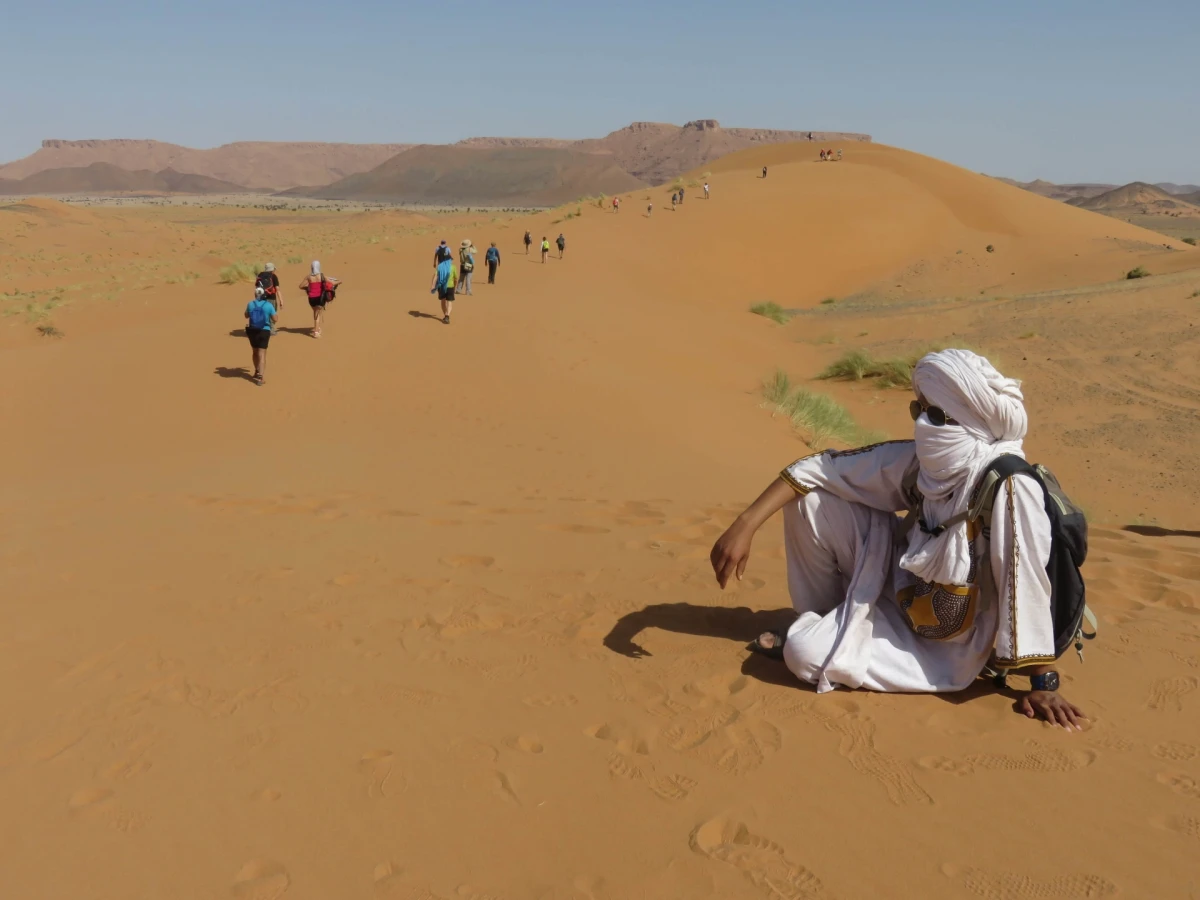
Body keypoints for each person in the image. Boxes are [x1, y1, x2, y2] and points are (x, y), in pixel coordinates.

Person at [709, 349, 1087, 730]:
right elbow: (821, 469)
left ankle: (824, 635)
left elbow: (1025, 581)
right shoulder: (922, 463)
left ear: (967, 419)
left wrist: (1044, 683)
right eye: (916, 409)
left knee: (803, 653)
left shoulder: (1009, 485)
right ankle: (826, 621)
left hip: (948, 645)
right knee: (810, 501)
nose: (921, 423)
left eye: (933, 415)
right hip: (900, 583)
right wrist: (745, 523)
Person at [244, 286, 277, 386]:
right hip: (264, 330)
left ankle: (257, 371)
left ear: (255, 294)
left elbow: (246, 315)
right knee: (262, 353)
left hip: (252, 331)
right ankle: (260, 377)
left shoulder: (250, 304)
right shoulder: (268, 305)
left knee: (255, 351)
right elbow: (275, 319)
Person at [299, 260, 338, 338]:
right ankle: (316, 332)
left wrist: (308, 287)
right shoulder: (322, 276)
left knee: (316, 312)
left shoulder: (308, 277)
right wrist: (339, 282)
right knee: (318, 314)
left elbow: (300, 286)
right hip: (320, 298)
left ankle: (317, 328)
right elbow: (332, 283)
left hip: (311, 299)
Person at [430, 253, 457, 324]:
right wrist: (455, 286)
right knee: (449, 302)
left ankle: (446, 315)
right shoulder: (453, 267)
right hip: (450, 286)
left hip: (441, 286)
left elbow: (435, 276)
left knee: (443, 301)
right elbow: (455, 279)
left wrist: (433, 285)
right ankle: (447, 315)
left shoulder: (440, 266)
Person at [255, 263, 281, 331]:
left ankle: (263, 328)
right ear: (272, 269)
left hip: (261, 298)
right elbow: (277, 289)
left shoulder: (260, 275)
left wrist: (257, 298)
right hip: (271, 298)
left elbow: (257, 288)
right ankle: (271, 330)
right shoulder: (273, 276)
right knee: (272, 313)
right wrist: (281, 300)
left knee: (262, 313)